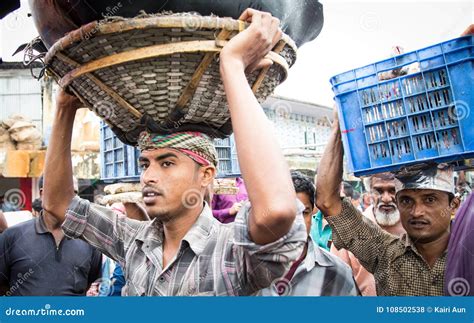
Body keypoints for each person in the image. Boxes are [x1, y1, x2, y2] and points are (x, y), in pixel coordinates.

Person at [42, 9, 307, 296]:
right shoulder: (133, 241)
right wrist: (65, 107)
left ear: (205, 175)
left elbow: (276, 211)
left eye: (167, 163)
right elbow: (58, 206)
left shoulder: (232, 253)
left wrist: (231, 66)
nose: (149, 177)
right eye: (145, 164)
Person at [316, 108, 460, 296]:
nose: (417, 212)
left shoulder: (467, 254)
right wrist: (338, 128)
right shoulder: (384, 252)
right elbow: (327, 201)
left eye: (430, 200)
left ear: (454, 205)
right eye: (407, 200)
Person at [258, 171, 358, 296]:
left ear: (313, 213)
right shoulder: (250, 266)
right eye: (288, 212)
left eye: (304, 213)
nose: (297, 222)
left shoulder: (337, 273)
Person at [0, 184, 102, 295]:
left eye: (74, 192)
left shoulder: (89, 240)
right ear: (42, 194)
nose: (68, 198)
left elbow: (88, 282)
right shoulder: (13, 236)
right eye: (60, 190)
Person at [331, 172, 406, 296]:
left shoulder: (417, 227)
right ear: (369, 192)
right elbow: (337, 287)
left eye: (393, 190)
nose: (386, 198)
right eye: (379, 191)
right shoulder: (348, 230)